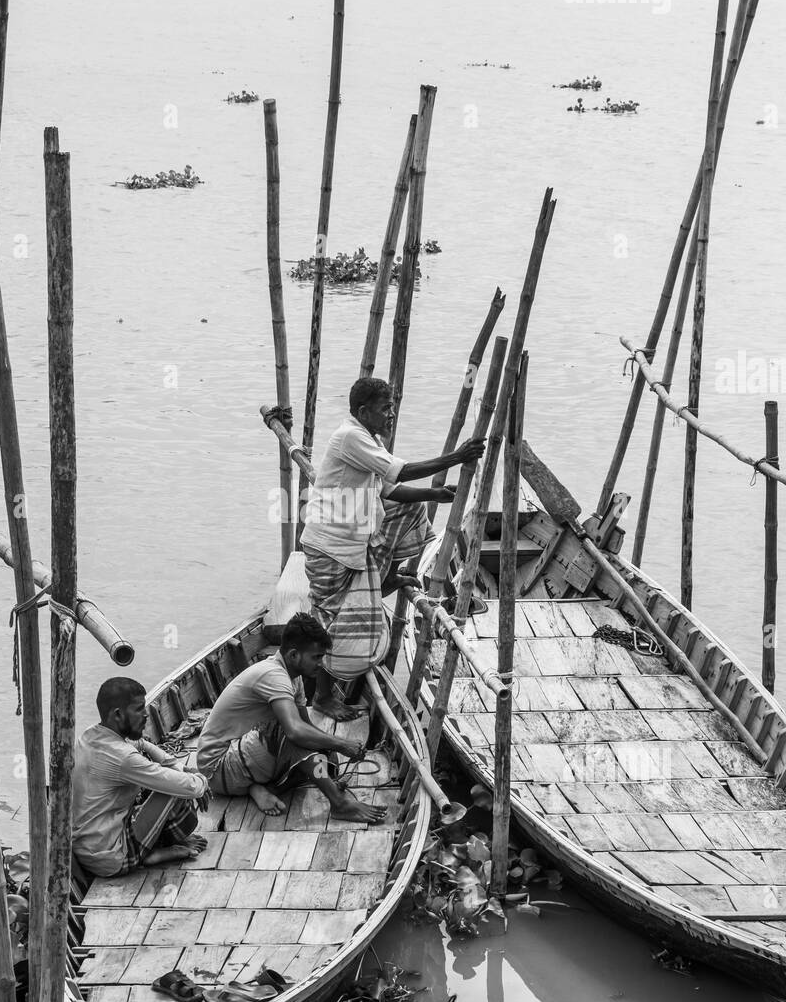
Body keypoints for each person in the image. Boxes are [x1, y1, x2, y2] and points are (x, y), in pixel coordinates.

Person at [300, 376, 484, 719]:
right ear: (363, 411)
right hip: (329, 547)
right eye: (386, 408)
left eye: (393, 407)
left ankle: (387, 578)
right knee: (329, 618)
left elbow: (390, 489)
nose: (391, 414)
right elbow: (403, 470)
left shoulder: (368, 439)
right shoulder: (351, 437)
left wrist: (433, 494)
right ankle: (322, 695)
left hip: (350, 546)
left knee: (411, 507)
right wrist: (456, 457)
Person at [196, 612, 386, 825]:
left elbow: (306, 725)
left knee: (319, 753)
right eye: (316, 657)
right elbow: (295, 731)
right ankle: (340, 805)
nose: (321, 664)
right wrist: (342, 744)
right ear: (294, 655)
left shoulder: (293, 679)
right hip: (217, 768)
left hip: (239, 761)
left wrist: (329, 753)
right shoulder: (273, 675)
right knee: (292, 735)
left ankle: (261, 789)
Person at [72, 677, 210, 878]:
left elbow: (142, 744)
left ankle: (149, 852)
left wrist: (177, 765)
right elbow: (191, 788)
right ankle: (150, 854)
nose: (146, 715)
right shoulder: (123, 758)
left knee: (171, 776)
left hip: (88, 848)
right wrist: (200, 780)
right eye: (138, 709)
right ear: (118, 715)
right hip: (113, 857)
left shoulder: (90, 735)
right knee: (175, 789)